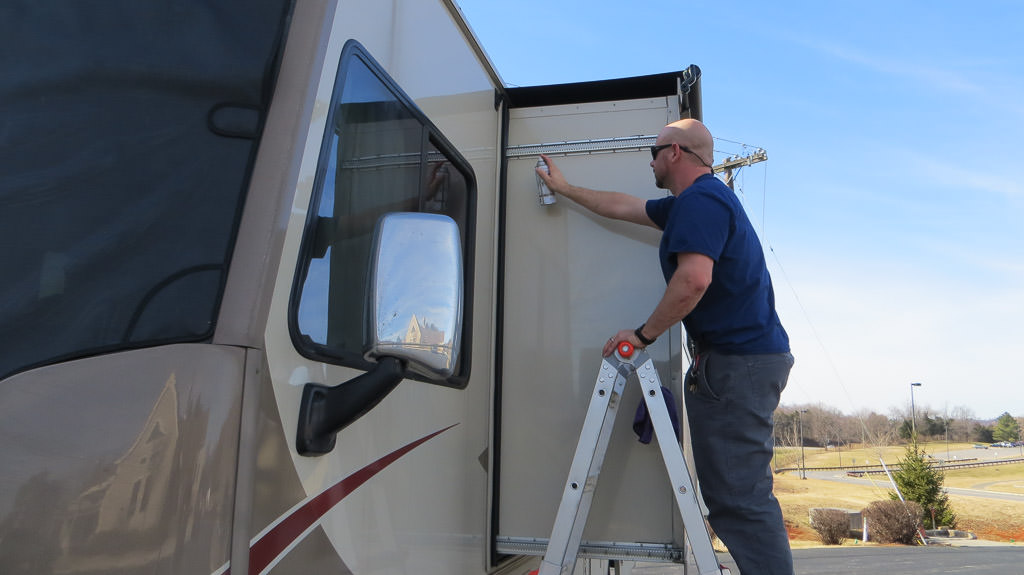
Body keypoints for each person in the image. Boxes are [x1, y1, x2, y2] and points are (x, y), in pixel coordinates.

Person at [536, 118, 795, 574]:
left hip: (740, 365)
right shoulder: (690, 205)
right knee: (735, 497)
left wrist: (641, 336)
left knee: (741, 502)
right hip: (743, 362)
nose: (650, 161)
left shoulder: (702, 200)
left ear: (675, 152)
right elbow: (624, 206)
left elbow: (693, 278)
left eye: (654, 152)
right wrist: (567, 188)